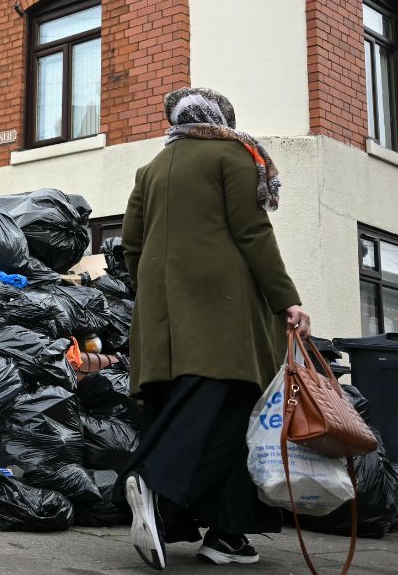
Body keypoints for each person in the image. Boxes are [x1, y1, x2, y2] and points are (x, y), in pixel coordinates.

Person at [120, 87, 311, 570]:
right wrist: (286, 299)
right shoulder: (233, 154)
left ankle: (222, 535)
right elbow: (252, 232)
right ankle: (152, 477)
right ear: (223, 118)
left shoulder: (152, 169)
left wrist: (157, 295)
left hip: (162, 321)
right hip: (222, 314)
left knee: (185, 405)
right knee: (231, 414)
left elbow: (131, 247)